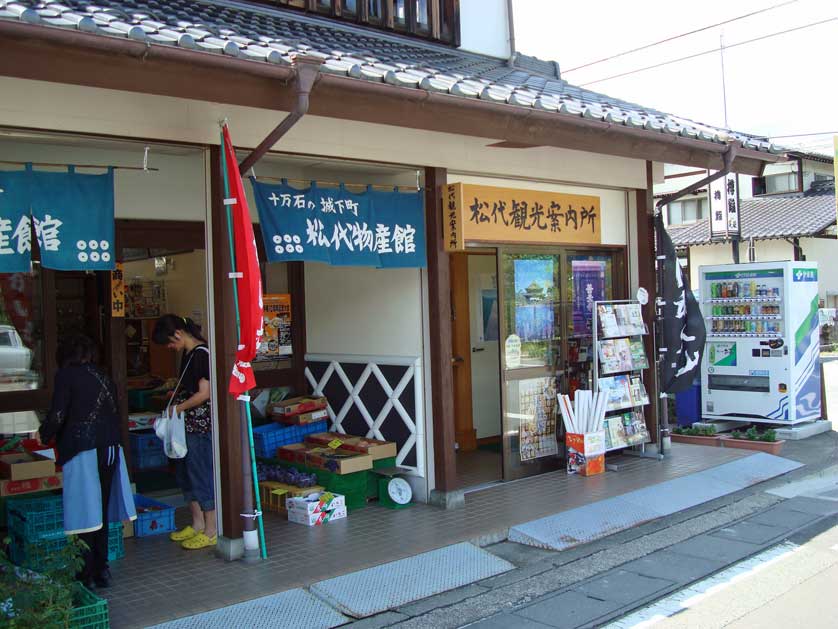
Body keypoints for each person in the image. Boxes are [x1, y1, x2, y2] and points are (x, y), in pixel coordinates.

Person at [39, 334, 136, 589]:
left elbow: (58, 414)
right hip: (110, 449)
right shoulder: (104, 376)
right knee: (101, 511)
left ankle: (84, 573)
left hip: (83, 449)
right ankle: (101, 569)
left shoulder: (67, 376)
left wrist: (45, 434)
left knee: (84, 510)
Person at [152, 314, 216, 550]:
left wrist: (177, 407)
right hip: (186, 425)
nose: (170, 347)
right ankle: (198, 523)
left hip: (199, 426)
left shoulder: (201, 354)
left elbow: (204, 393)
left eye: (169, 342)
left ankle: (211, 529)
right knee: (186, 474)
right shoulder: (189, 354)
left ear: (177, 334)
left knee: (200, 474)